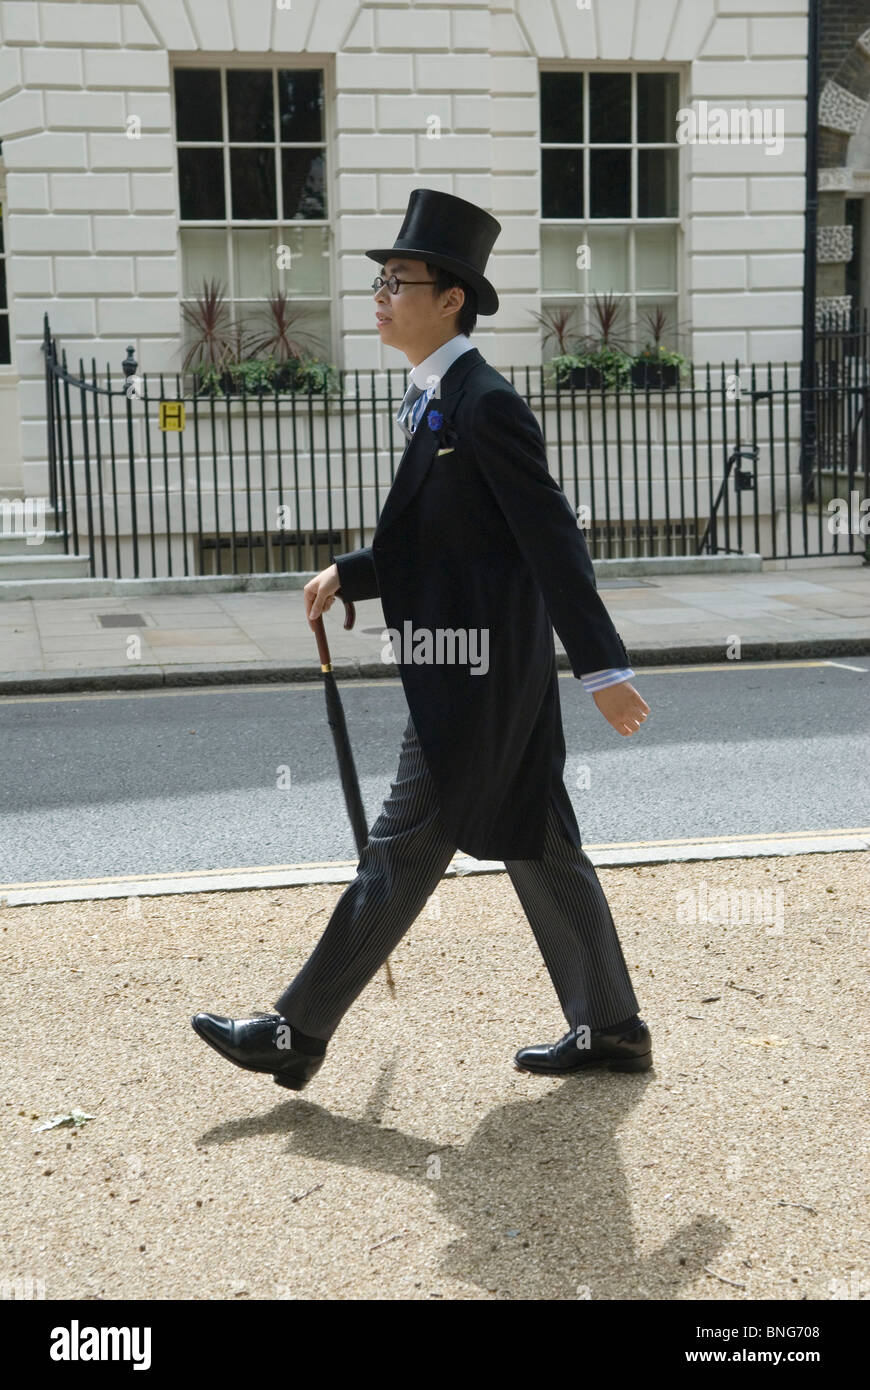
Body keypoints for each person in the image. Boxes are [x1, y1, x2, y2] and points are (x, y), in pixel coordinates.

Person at [192, 188, 653, 1092]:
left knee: (401, 849)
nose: (380, 294)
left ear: (451, 298)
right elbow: (446, 537)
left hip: (474, 686)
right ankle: (611, 1028)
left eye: (398, 280)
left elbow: (550, 540)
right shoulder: (438, 400)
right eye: (380, 279)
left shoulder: (485, 405)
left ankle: (295, 1030)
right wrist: (354, 572)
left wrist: (603, 667)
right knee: (539, 841)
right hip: (485, 680)